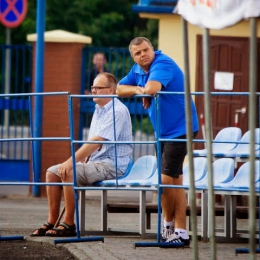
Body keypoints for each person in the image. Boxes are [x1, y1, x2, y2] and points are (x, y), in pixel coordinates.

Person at [117, 37, 199, 246]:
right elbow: (119, 88)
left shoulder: (162, 63)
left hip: (181, 129)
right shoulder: (137, 71)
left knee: (165, 180)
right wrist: (138, 89)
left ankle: (168, 227)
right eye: (138, 53)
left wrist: (145, 90)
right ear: (133, 57)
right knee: (175, 180)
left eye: (146, 50)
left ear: (153, 49)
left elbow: (153, 88)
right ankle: (180, 232)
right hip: (163, 132)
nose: (143, 54)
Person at [31, 72, 133, 237]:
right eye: (93, 87)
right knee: (52, 172)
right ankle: (51, 220)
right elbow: (93, 142)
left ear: (111, 90)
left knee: (69, 170)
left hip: (112, 165)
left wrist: (71, 162)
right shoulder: (99, 109)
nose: (93, 90)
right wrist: (81, 159)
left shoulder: (118, 110)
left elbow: (96, 142)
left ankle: (69, 223)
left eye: (98, 88)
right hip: (97, 162)